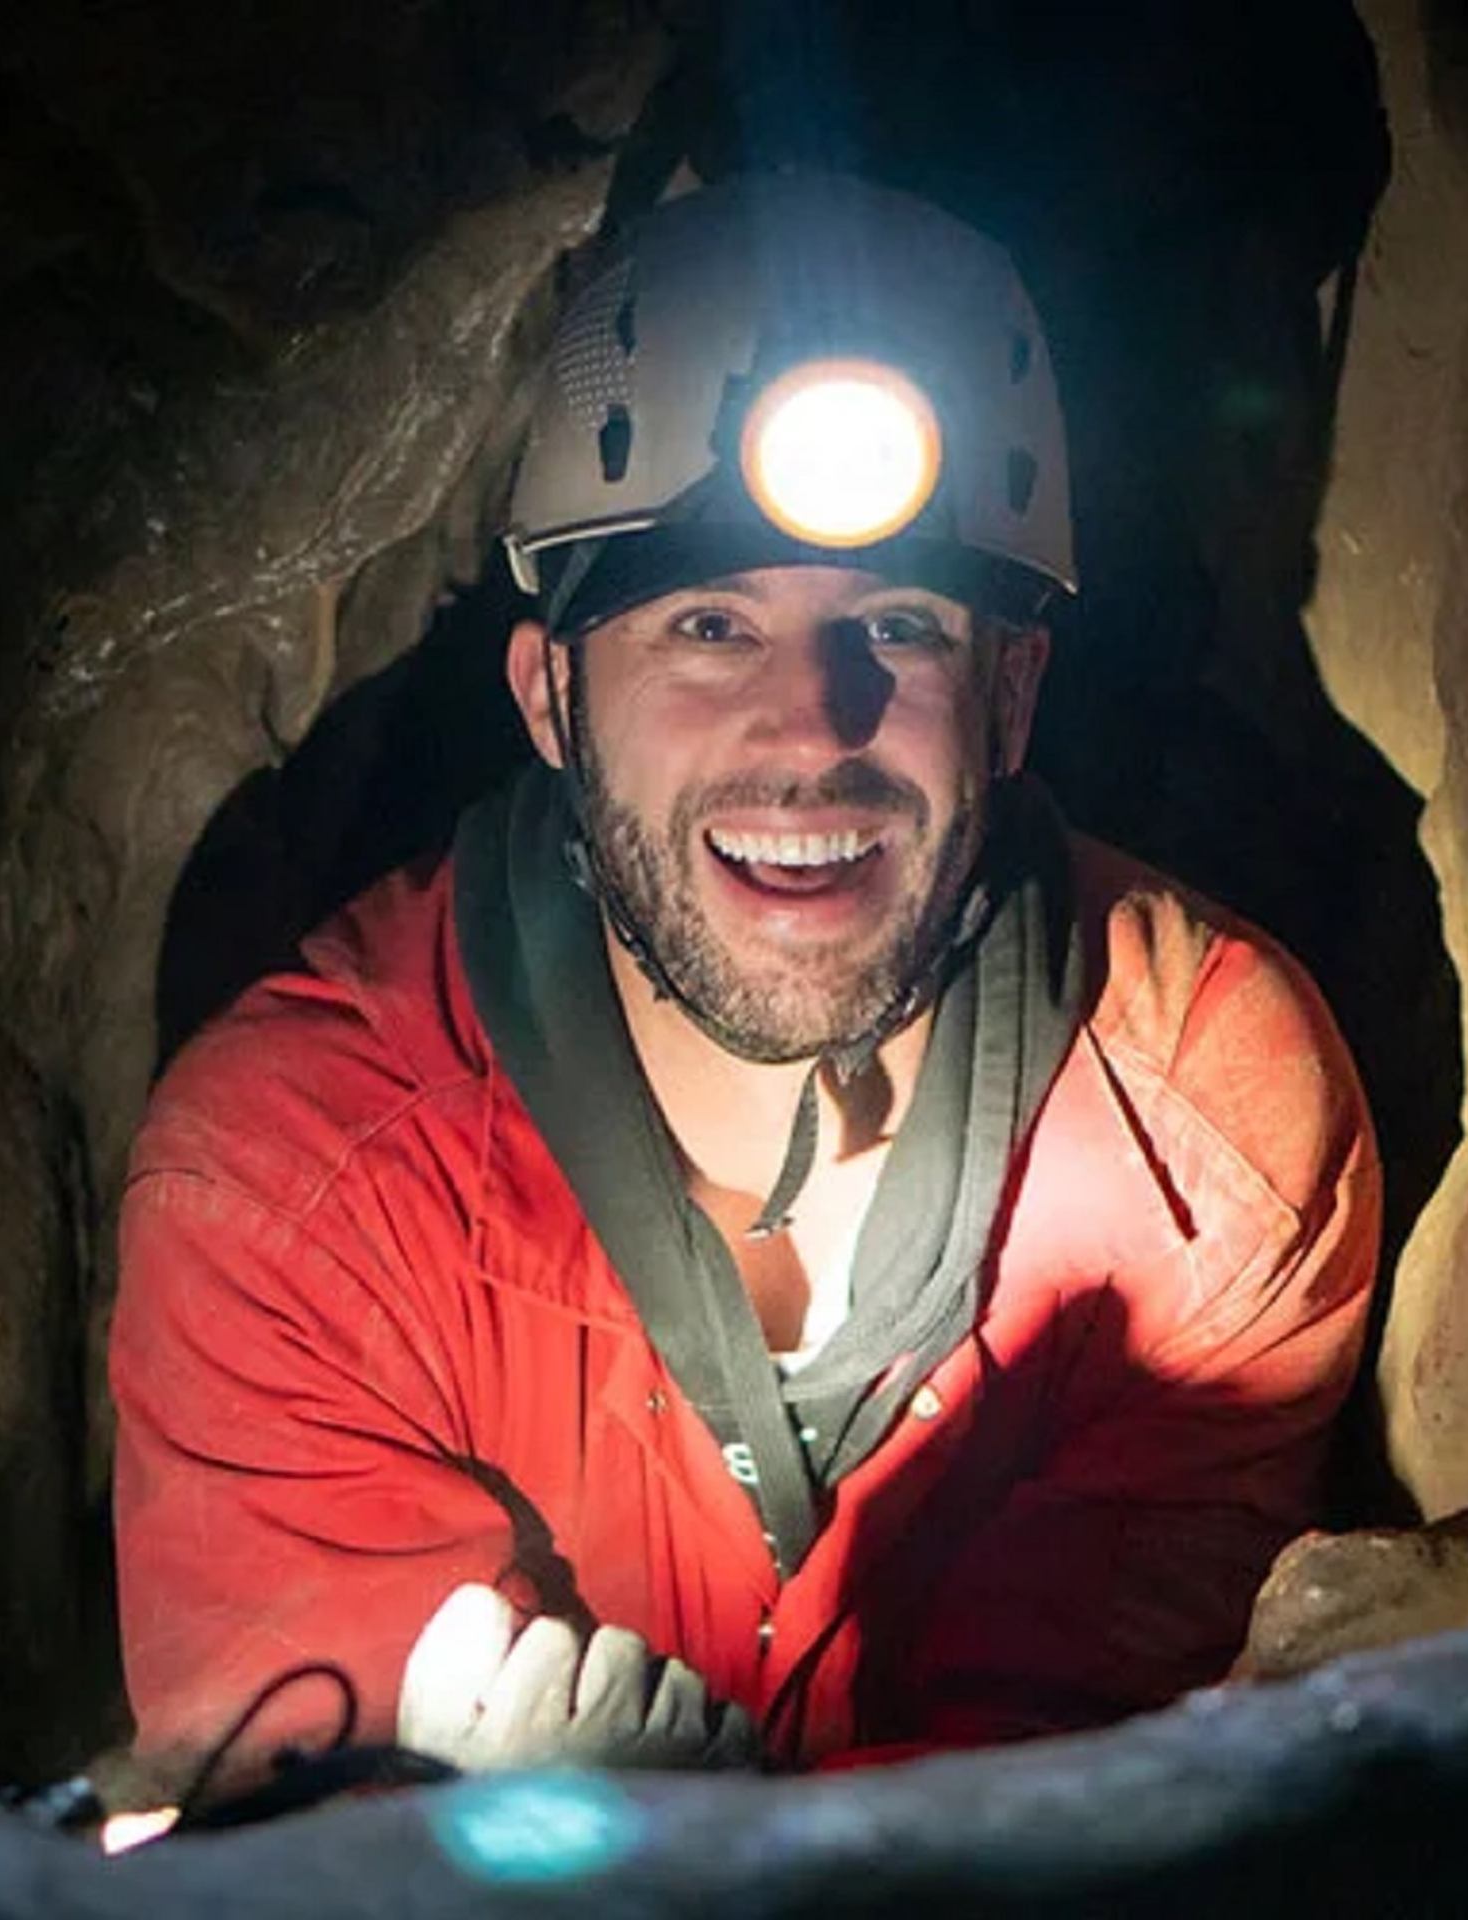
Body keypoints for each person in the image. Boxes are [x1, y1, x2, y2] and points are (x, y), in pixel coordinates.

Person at [109, 173, 1381, 1780]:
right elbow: (287, 1827)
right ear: (551, 700)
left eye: (902, 627)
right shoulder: (291, 1192)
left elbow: (1079, 1797)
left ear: (1012, 698)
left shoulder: (1202, 1146)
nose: (812, 725)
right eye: (708, 625)